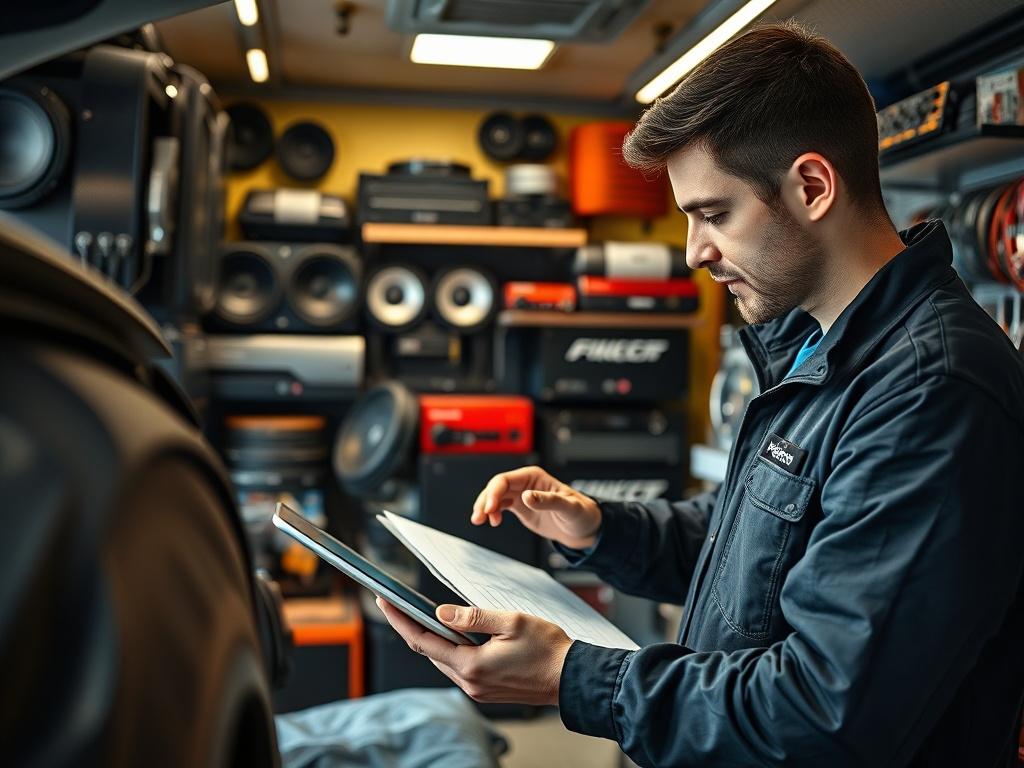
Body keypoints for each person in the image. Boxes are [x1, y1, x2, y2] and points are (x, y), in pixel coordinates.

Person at [376, 21, 1024, 767]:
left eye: (713, 214)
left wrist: (570, 675)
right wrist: (597, 529)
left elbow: (823, 713)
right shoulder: (823, 345)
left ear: (812, 187)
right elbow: (758, 553)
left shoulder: (928, 392)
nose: (695, 253)